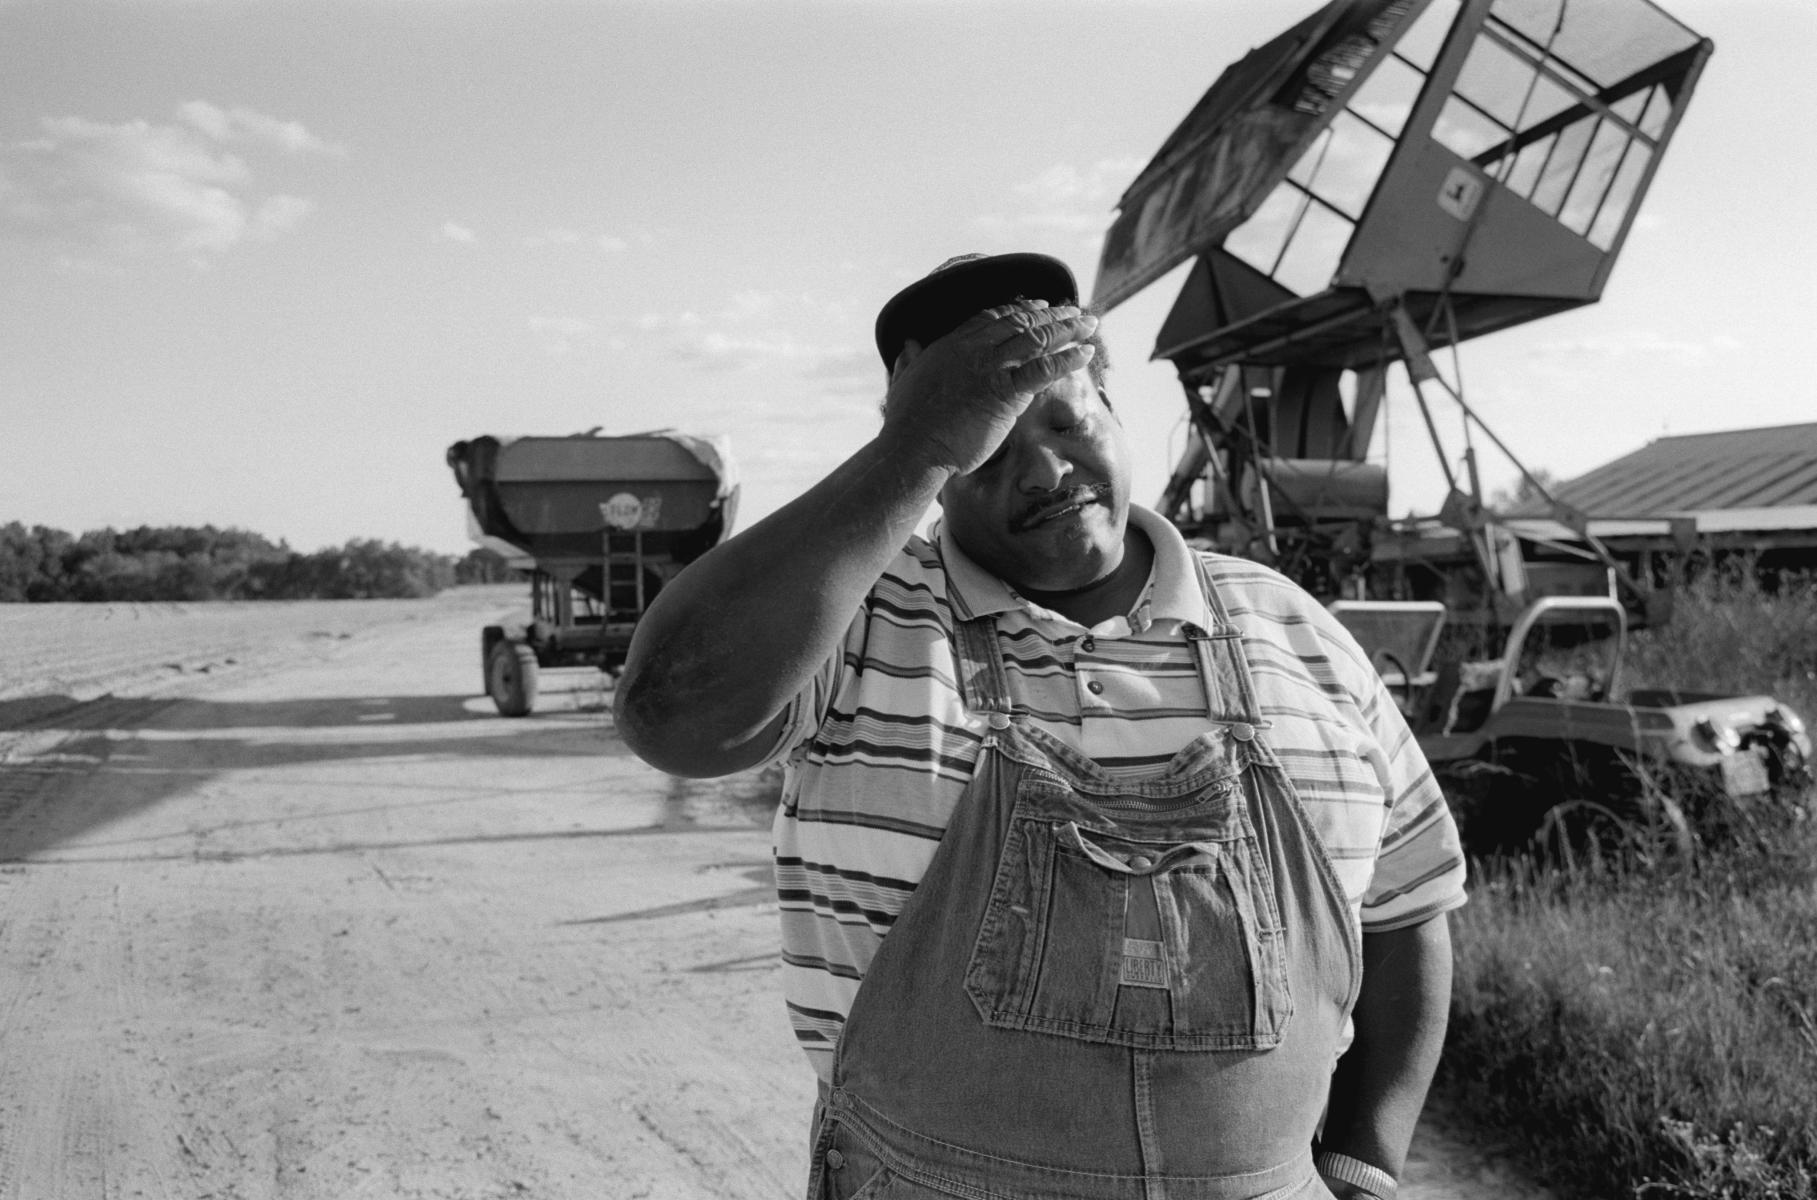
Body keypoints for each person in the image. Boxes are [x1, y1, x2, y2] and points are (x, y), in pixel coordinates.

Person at [615, 252, 1467, 1200]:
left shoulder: (1292, 630)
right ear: (930, 469)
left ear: (1113, 405)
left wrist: (1363, 1159)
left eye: (1066, 420)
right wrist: (916, 444)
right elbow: (669, 713)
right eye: (986, 447)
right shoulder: (854, 624)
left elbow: (1408, 906)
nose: (1047, 471)